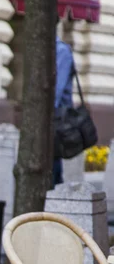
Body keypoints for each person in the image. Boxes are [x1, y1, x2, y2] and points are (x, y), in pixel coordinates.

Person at [53, 34, 75, 187]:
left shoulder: (61, 51)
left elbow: (57, 90)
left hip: (58, 118)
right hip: (53, 118)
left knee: (53, 163)